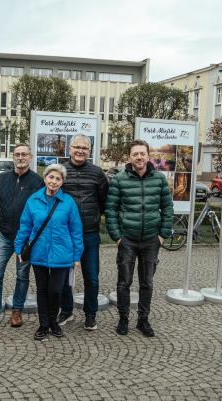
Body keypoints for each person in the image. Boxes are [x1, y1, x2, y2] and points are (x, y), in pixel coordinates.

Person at [105, 139, 174, 337]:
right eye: (135, 154)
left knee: (147, 283)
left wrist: (163, 234)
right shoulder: (119, 179)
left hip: (152, 240)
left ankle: (143, 321)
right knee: (124, 282)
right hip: (127, 239)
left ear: (148, 156)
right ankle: (123, 319)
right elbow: (111, 209)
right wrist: (117, 237)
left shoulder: (159, 179)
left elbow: (168, 208)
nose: (139, 157)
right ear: (130, 157)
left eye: (142, 153)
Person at [0, 144, 44, 329]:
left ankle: (17, 311)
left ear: (30, 157)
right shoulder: (1, 179)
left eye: (24, 154)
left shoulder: (38, 182)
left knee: (22, 276)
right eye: (17, 154)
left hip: (25, 239)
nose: (20, 157)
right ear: (13, 157)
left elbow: (41, 211)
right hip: (4, 236)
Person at [14, 164, 83, 341]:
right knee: (42, 290)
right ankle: (44, 325)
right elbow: (25, 226)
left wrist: (77, 256)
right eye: (51, 177)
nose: (53, 181)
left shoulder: (68, 202)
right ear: (45, 179)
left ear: (62, 182)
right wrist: (18, 247)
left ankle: (53, 321)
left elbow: (76, 231)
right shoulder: (33, 200)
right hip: (39, 253)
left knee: (55, 291)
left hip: (62, 254)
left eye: (58, 179)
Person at [58, 134, 108, 331]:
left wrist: (93, 216)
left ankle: (90, 314)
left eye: (84, 148)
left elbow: (104, 201)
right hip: (64, 233)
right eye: (76, 147)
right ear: (69, 149)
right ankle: (66, 310)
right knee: (62, 275)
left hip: (89, 232)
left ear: (90, 151)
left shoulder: (97, 173)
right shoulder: (61, 171)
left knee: (92, 276)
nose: (80, 151)